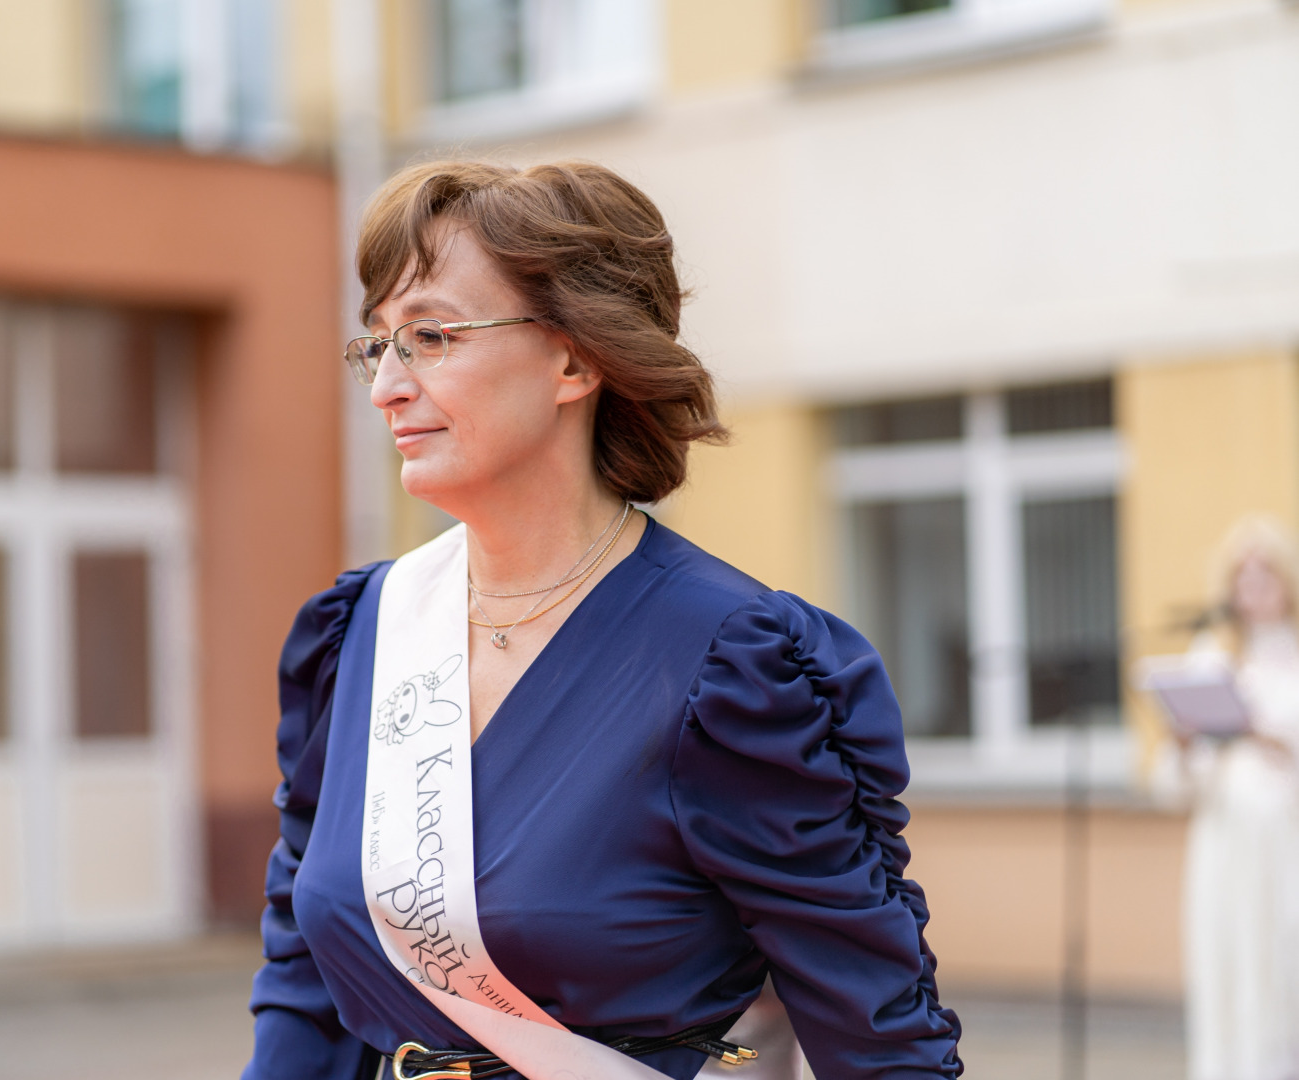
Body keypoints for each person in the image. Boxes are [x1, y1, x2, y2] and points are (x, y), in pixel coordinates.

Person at [240, 160, 962, 1080]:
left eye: (430, 336)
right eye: (376, 345)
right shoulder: (360, 635)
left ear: (576, 359)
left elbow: (875, 1031)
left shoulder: (731, 666)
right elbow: (305, 980)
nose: (387, 384)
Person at [1169, 518, 1299, 1080]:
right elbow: (1175, 789)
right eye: (1241, 574)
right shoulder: (1211, 660)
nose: (1253, 584)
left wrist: (1273, 739)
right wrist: (1183, 744)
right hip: (1224, 853)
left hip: (1286, 852)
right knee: (1227, 978)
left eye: (1263, 570)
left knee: (1282, 977)